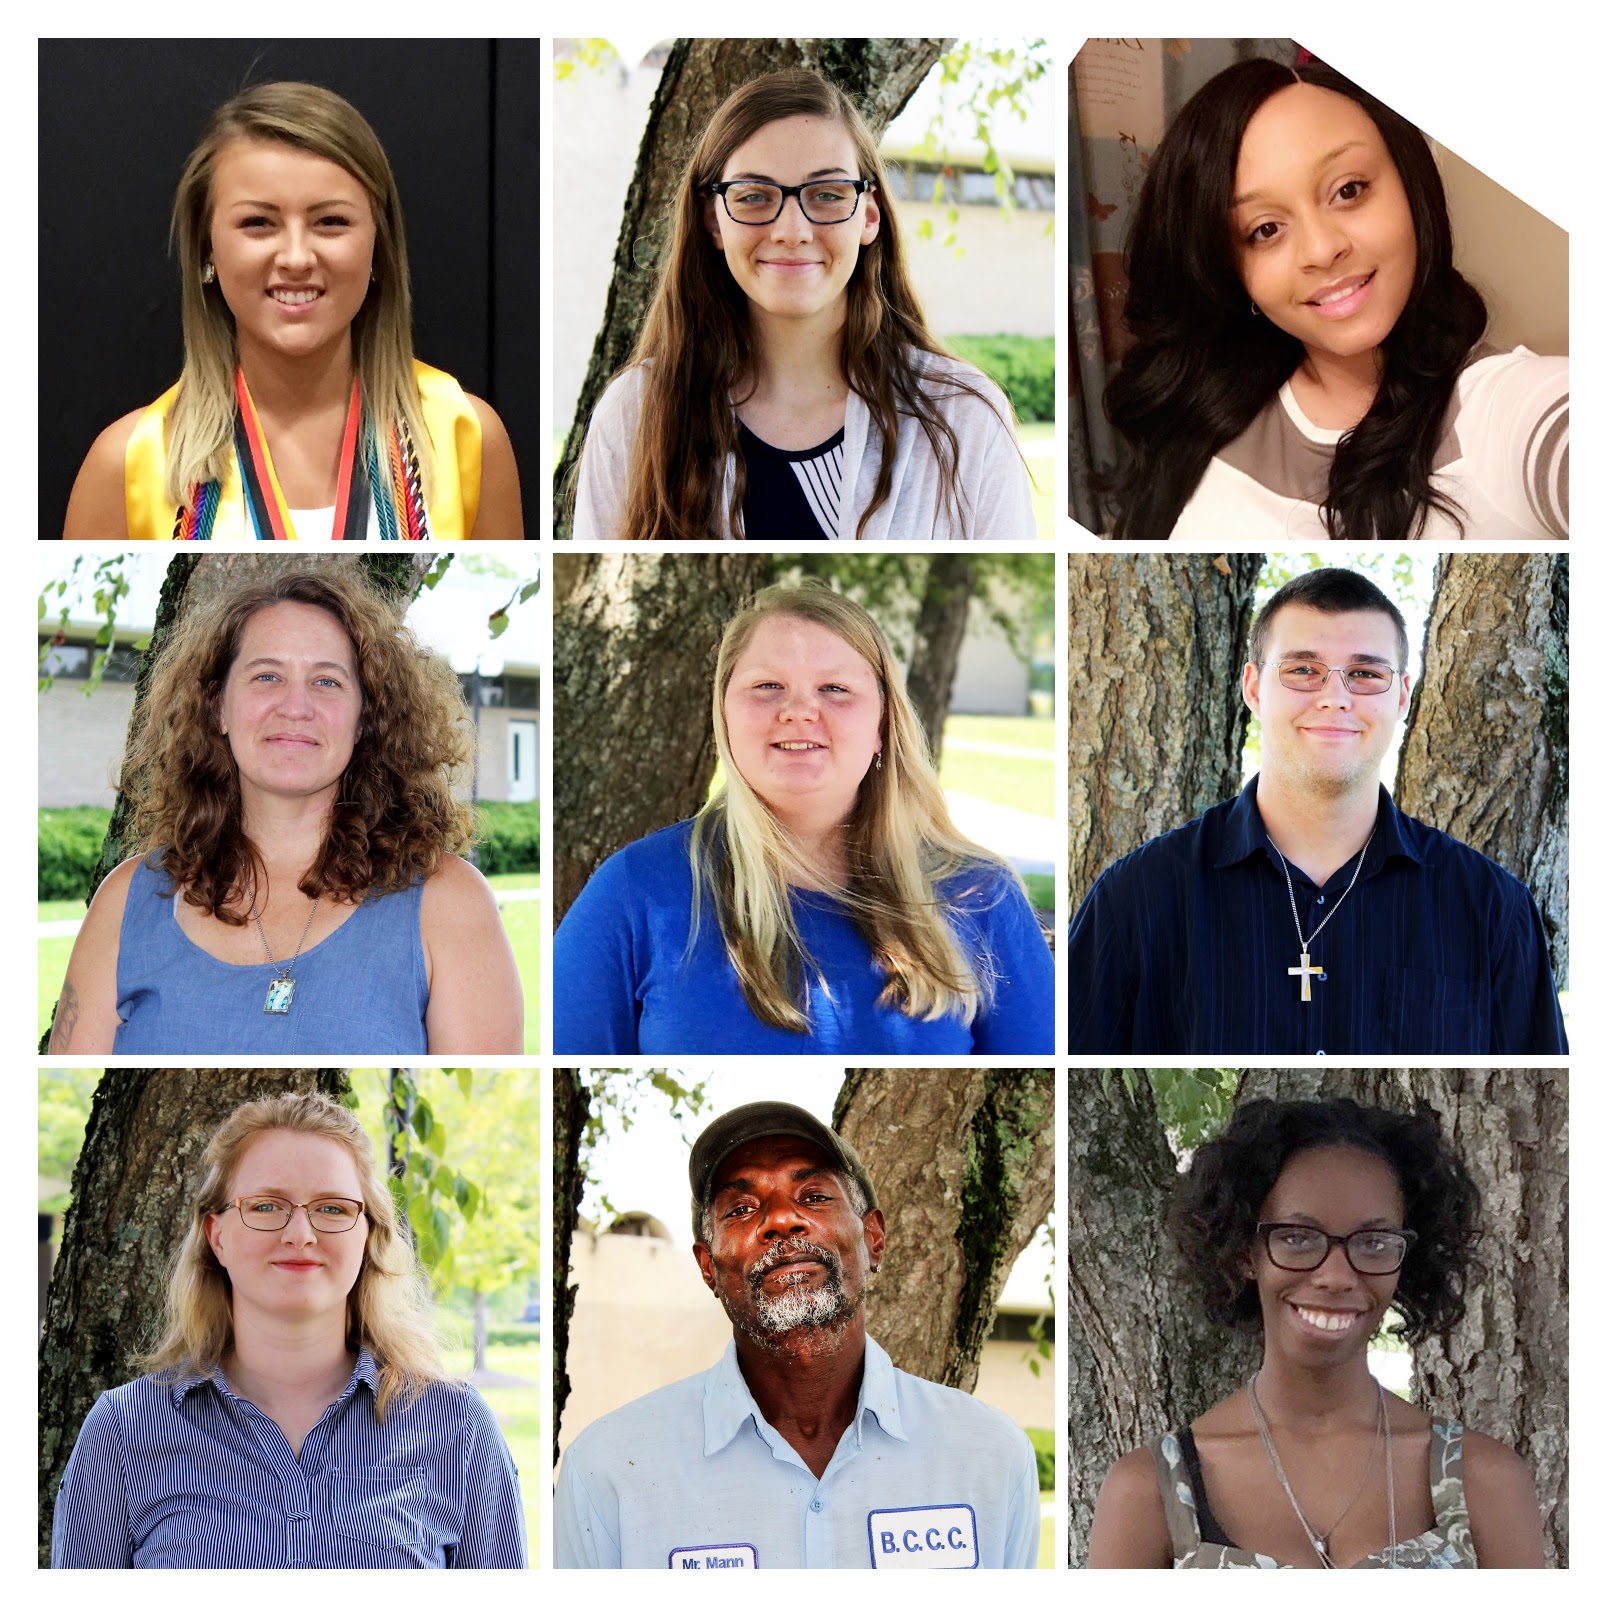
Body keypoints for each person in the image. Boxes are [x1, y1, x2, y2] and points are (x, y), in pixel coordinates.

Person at [1066, 567, 1565, 1053]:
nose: (1334, 698)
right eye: (1303, 670)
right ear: (1254, 688)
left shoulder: (1492, 909)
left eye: (1366, 674)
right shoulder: (1136, 899)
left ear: (1402, 697)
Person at [553, 582, 1052, 1052]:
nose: (798, 710)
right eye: (768, 685)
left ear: (882, 724)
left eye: (834, 688)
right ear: (724, 714)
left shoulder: (980, 896)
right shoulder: (635, 890)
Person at [48, 566, 522, 1054]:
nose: (296, 706)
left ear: (365, 718)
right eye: (267, 676)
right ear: (218, 708)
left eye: (327, 682)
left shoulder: (448, 903)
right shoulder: (127, 902)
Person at [555, 1099, 1040, 1568]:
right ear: (708, 1266)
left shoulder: (991, 1456)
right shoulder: (607, 1473)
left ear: (873, 1238)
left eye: (813, 1197)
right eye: (742, 1209)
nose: (782, 1220)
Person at [52, 1091, 525, 1568]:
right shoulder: (122, 1429)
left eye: (333, 1208)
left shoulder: (457, 1429)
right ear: (218, 1236)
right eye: (265, 1206)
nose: (300, 1235)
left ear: (368, 1236)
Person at [1104, 58, 1567, 541]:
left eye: (1348, 190)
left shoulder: (1504, 413)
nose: (1323, 249)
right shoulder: (1207, 407)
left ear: (1410, 185)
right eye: (1265, 230)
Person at [571, 68, 1033, 540]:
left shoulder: (963, 418)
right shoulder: (637, 411)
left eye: (828, 195)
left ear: (868, 216)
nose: (792, 231)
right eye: (753, 196)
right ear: (713, 221)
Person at [1088, 1097, 1545, 1568]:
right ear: (1246, 1252)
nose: (1336, 1276)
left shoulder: (1484, 1482)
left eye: (1373, 1243)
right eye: (1298, 1237)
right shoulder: (1148, 1493)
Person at [62, 81, 523, 540]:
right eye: (258, 223)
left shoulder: (466, 436)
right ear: (206, 248)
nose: (297, 258)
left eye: (331, 222)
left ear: (379, 245)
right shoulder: (129, 463)